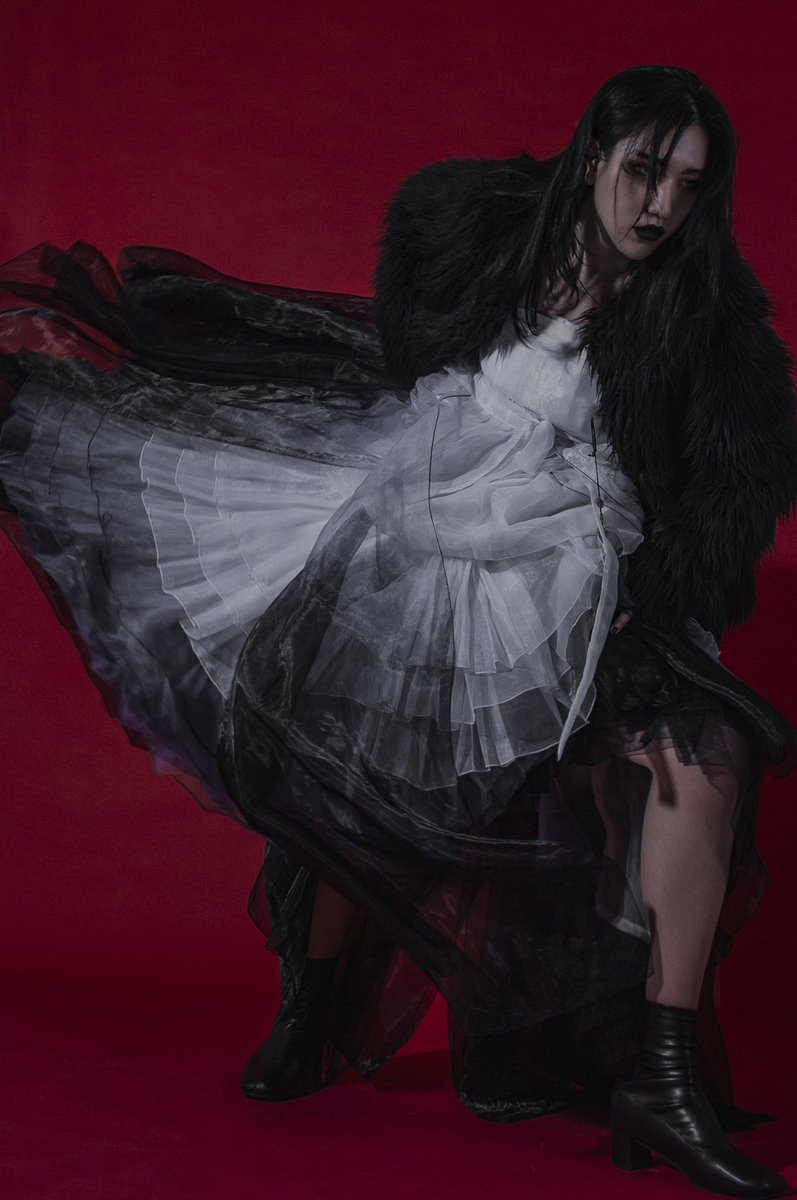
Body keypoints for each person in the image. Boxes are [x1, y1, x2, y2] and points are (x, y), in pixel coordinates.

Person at [1, 63, 796, 1198]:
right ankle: (316, 1005)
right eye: (642, 170)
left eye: (687, 184)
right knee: (351, 737)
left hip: (578, 571)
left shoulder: (706, 325)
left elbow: (722, 496)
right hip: (423, 517)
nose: (660, 205)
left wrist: (657, 587)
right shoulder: (483, 232)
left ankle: (659, 1086)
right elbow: (411, 349)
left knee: (703, 756)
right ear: (593, 155)